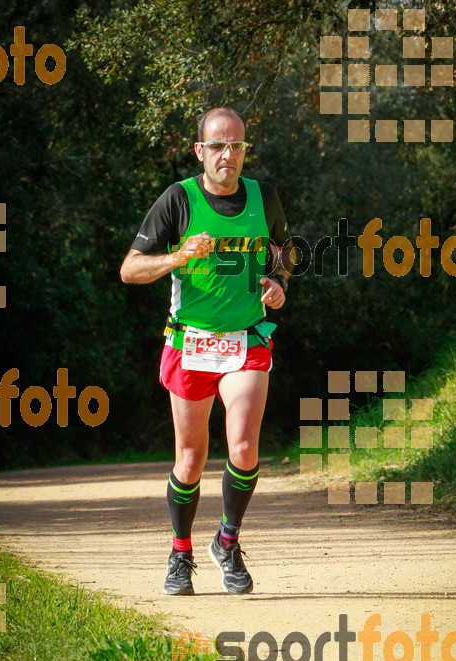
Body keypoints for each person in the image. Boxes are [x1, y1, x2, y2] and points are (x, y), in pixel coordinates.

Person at [120, 107, 294, 596]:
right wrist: (178, 255)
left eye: (237, 145)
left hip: (247, 339)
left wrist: (278, 281)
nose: (228, 155)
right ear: (200, 151)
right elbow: (130, 270)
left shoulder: (264, 196)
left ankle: (227, 541)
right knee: (191, 458)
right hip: (190, 343)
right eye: (217, 145)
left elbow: (284, 249)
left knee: (243, 449)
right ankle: (180, 552)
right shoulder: (179, 199)